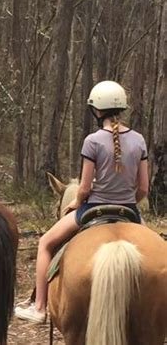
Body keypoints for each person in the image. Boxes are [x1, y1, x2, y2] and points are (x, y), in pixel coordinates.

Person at [14, 80, 149, 324]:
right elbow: (143, 188)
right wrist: (131, 202)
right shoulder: (139, 140)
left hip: (93, 208)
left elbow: (85, 187)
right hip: (129, 210)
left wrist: (76, 203)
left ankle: (40, 306)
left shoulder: (93, 141)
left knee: (45, 243)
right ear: (122, 108)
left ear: (96, 110)